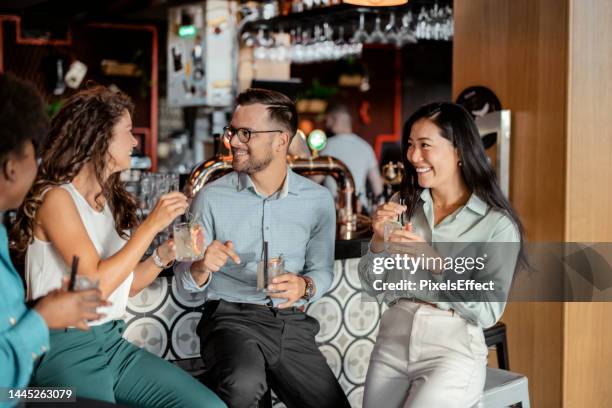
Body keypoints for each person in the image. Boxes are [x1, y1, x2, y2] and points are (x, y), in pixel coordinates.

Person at [11, 85, 225, 408]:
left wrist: (162, 255)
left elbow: (125, 287)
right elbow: (96, 283)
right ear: (100, 138)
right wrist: (151, 224)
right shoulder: (56, 198)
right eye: (128, 132)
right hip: (65, 345)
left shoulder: (106, 199)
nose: (135, 141)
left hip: (112, 342)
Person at [175, 88, 350, 408]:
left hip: (290, 323)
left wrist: (305, 285)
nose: (233, 141)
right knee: (243, 387)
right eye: (232, 131)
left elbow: (322, 270)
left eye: (246, 133)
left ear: (281, 140)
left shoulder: (319, 200)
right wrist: (200, 267)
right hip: (229, 318)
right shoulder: (208, 198)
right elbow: (182, 275)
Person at [358, 102, 526, 408]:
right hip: (392, 341)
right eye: (410, 145)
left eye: (425, 145)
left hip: (452, 348)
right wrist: (379, 241)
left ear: (459, 150)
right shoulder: (404, 203)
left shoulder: (496, 225)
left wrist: (435, 262)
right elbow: (373, 285)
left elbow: (489, 311)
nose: (413, 156)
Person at [0, 73, 107, 400]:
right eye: (34, 151)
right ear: (11, 167)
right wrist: (44, 318)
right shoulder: (57, 198)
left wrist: (44, 307)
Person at [321, 103, 384, 211]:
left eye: (327, 120)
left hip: (334, 209)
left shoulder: (328, 145)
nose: (326, 125)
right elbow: (378, 188)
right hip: (360, 210)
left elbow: (315, 180)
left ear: (334, 119)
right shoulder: (366, 146)